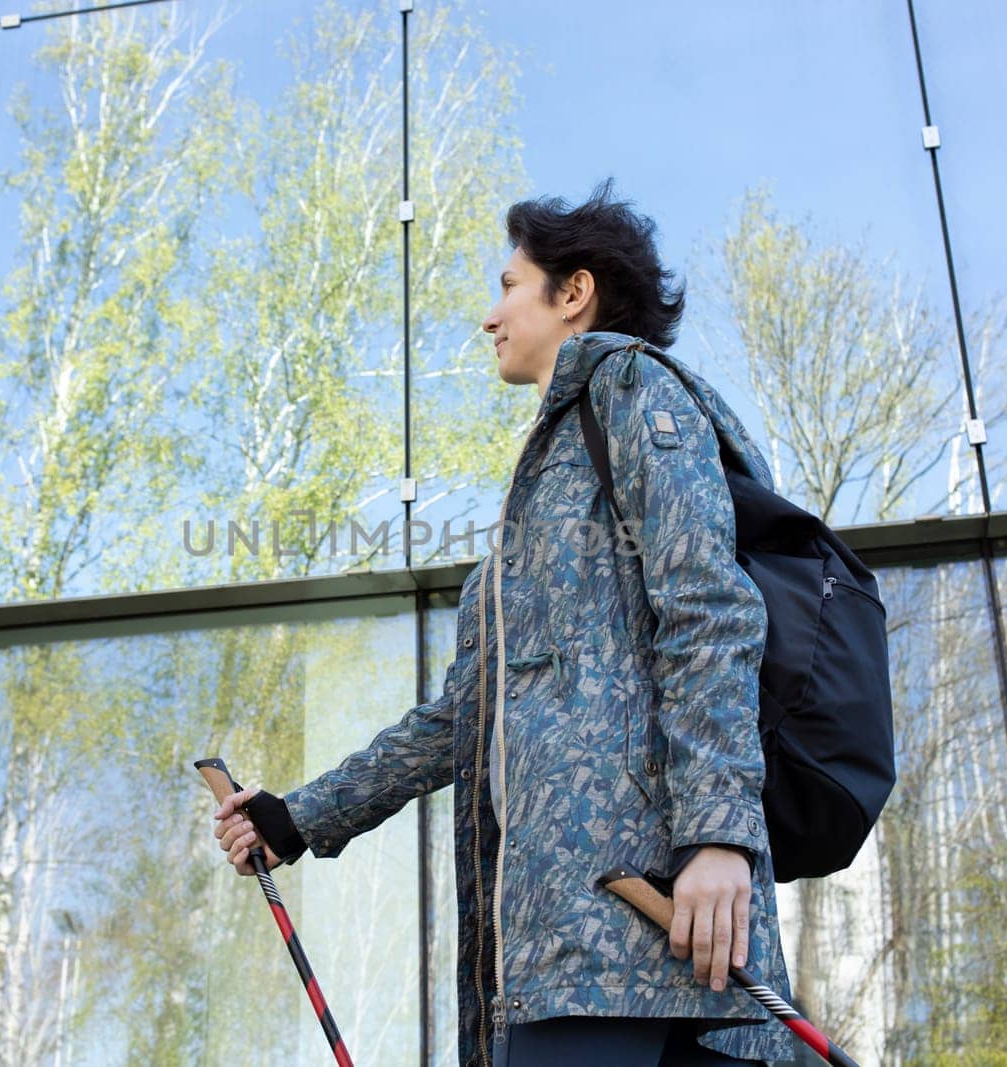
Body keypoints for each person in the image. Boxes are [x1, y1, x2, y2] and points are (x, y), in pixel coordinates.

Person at [211, 180, 795, 1067]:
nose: (490, 315)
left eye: (510, 284)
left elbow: (707, 609)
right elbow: (459, 719)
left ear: (575, 293)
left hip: (654, 927)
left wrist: (719, 837)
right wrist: (298, 818)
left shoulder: (635, 394)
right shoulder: (533, 508)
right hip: (552, 944)